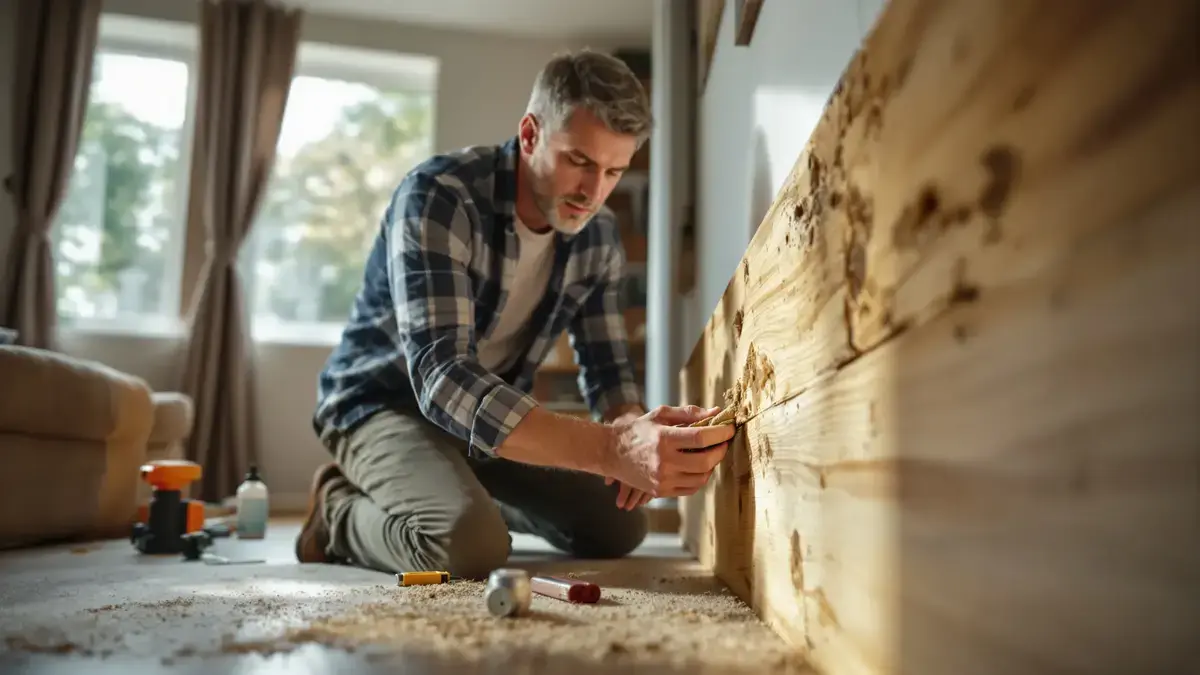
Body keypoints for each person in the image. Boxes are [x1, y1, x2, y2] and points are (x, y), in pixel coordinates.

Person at [296, 49, 734, 578]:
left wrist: (631, 431)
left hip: (479, 427)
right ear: (530, 134)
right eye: (579, 161)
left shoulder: (597, 238)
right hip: (380, 405)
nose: (593, 193)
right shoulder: (439, 195)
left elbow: (608, 369)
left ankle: (454, 492)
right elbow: (441, 378)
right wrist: (613, 447)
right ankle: (335, 512)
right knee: (467, 547)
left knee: (618, 526)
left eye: (614, 171)